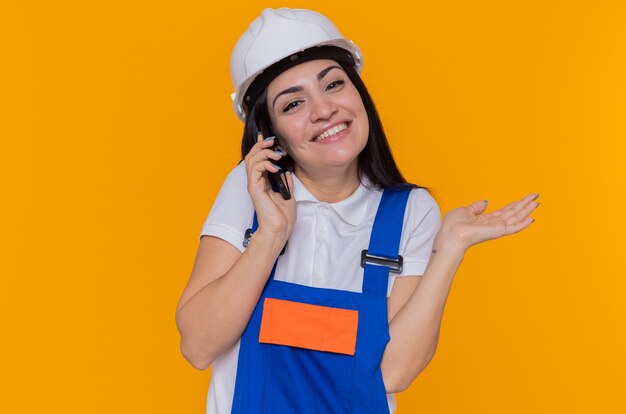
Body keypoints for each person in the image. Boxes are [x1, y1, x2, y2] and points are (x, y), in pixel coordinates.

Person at [175, 8, 539, 414]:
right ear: (269, 133)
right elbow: (198, 347)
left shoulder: (411, 212)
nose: (324, 109)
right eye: (293, 104)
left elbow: (392, 373)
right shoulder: (249, 190)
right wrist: (270, 236)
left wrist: (449, 248)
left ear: (359, 94)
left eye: (333, 84)